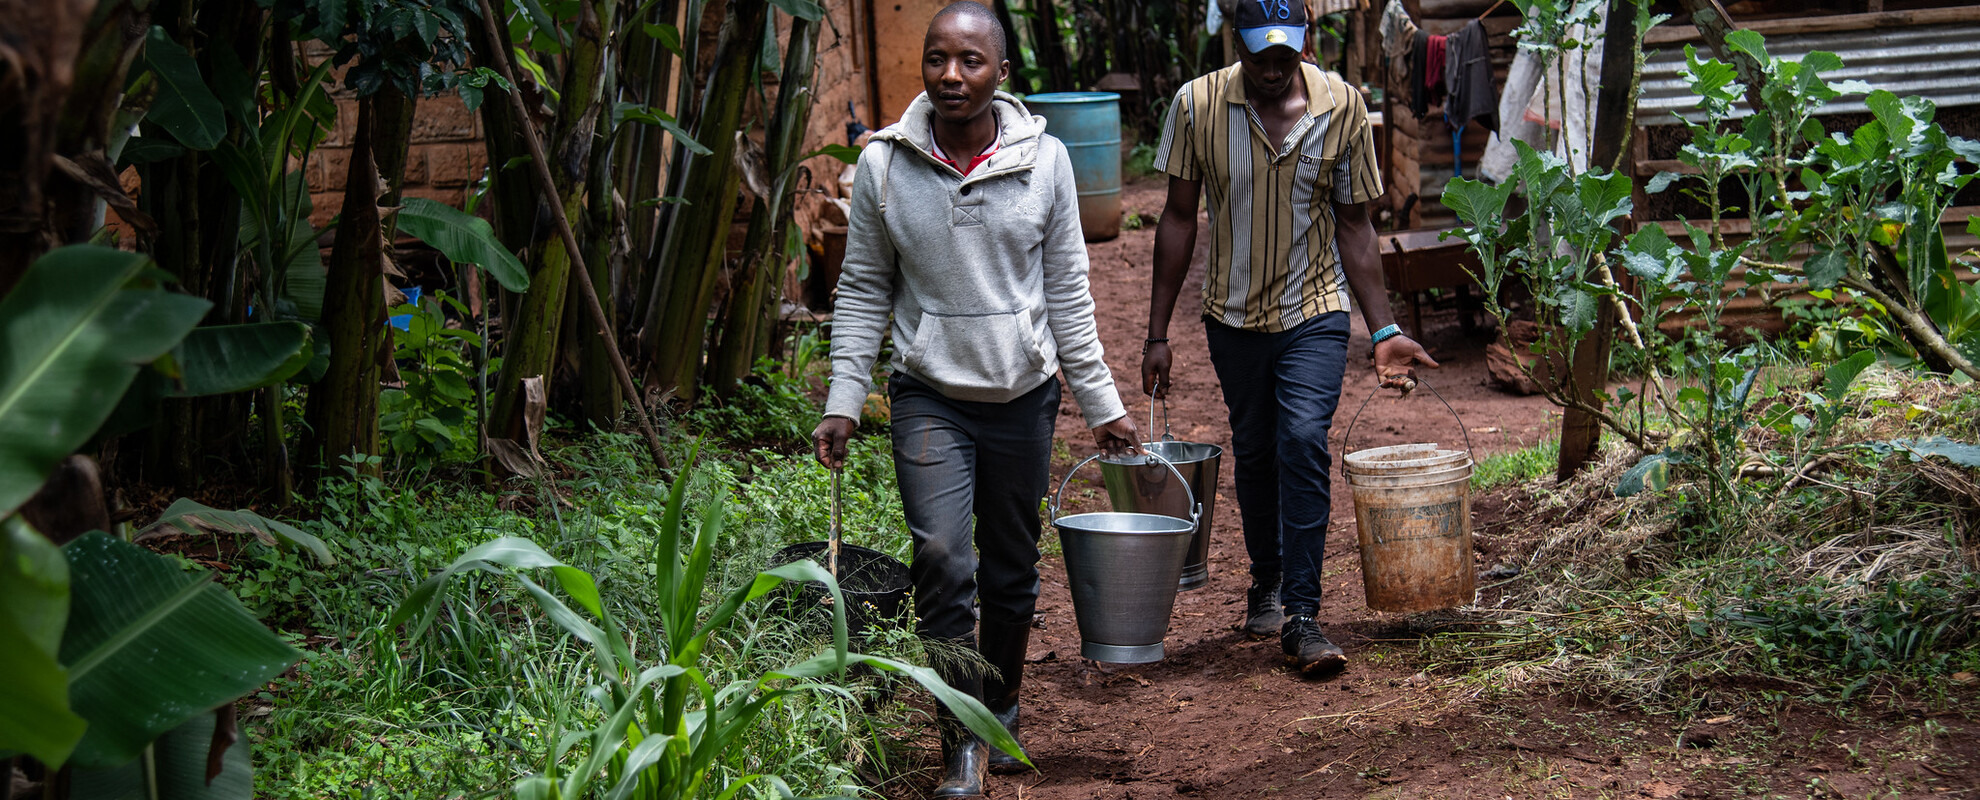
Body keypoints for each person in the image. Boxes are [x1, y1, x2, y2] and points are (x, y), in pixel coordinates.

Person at [810, 2, 1140, 795]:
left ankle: (1005, 700)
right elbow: (860, 289)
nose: (951, 76)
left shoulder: (1045, 160)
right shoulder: (887, 165)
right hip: (930, 394)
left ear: (1001, 73)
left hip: (1022, 394)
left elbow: (1067, 292)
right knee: (942, 558)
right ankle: (962, 731)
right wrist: (843, 396)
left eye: (971, 61)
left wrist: (1102, 404)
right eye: (937, 59)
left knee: (1013, 568)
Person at [1141, 0, 1439, 676]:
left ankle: (1304, 614)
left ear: (1304, 41)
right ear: (1237, 45)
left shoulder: (1342, 105)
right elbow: (1179, 217)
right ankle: (1266, 580)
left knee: (1303, 439)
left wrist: (1383, 326)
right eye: (1259, 56)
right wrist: (1156, 332)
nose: (1273, 69)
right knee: (1256, 449)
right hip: (1233, 316)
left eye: (1285, 54)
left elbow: (1356, 225)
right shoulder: (1197, 105)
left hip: (1316, 309)